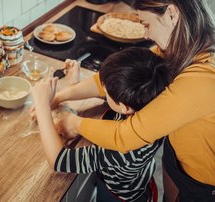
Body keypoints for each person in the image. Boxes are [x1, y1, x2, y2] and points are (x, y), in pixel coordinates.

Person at [50, 0, 215, 201]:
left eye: (146, 23)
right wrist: (60, 97)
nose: (145, 34)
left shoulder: (206, 80)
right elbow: (110, 79)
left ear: (171, 14)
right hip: (179, 168)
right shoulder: (183, 49)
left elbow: (126, 136)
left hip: (208, 192)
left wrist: (73, 122)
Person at [31, 47, 170, 202]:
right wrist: (66, 91)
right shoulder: (156, 105)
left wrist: (42, 104)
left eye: (106, 91)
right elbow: (106, 99)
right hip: (139, 178)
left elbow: (58, 159)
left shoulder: (121, 151)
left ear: (124, 107)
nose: (102, 91)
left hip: (118, 196)